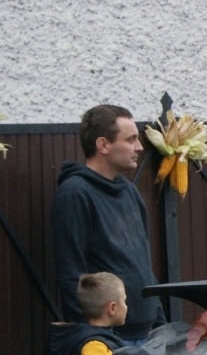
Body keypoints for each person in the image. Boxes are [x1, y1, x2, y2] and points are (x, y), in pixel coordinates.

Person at [53, 105, 162, 342]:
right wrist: (93, 338)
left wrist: (160, 324)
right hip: (108, 339)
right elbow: (71, 274)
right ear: (103, 145)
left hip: (147, 335)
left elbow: (143, 264)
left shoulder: (130, 192)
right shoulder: (75, 194)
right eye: (131, 139)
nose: (139, 147)